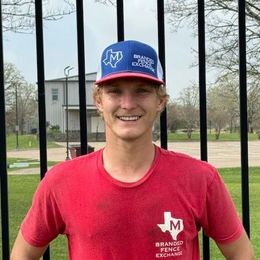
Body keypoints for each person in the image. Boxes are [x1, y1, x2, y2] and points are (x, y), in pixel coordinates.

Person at [11, 40, 255, 260]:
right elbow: (23, 253)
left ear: (160, 100)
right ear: (99, 101)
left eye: (142, 90)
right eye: (115, 91)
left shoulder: (200, 179)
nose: (127, 104)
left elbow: (241, 253)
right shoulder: (61, 181)